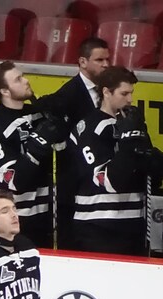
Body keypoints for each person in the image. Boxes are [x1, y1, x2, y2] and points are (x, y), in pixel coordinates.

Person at [66, 65, 163, 255]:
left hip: (133, 225)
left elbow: (157, 172)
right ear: (106, 92)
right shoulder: (90, 128)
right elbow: (109, 181)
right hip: (97, 227)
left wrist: (153, 160)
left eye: (131, 93)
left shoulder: (132, 124)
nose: (130, 99)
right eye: (124, 93)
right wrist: (129, 143)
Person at [0, 61, 64, 248]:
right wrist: (38, 143)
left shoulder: (37, 113)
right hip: (5, 222)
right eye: (18, 79)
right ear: (5, 91)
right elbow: (14, 180)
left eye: (23, 76)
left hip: (40, 217)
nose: (26, 81)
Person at [36, 37, 110, 249]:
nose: (105, 64)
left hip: (100, 182)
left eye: (107, 59)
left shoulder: (109, 91)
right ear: (83, 62)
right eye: (99, 60)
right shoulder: (66, 96)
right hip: (74, 185)